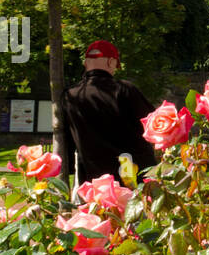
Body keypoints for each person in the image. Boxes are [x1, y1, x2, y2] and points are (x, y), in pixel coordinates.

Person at [62, 40, 158, 184]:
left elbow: (67, 140)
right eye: (115, 66)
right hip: (134, 179)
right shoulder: (125, 90)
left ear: (85, 63)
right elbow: (153, 125)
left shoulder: (69, 96)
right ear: (111, 62)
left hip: (96, 185)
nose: (115, 70)